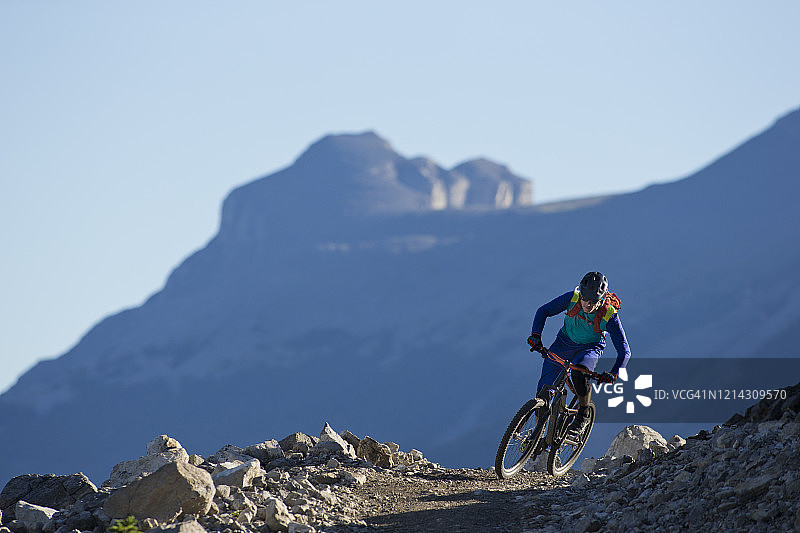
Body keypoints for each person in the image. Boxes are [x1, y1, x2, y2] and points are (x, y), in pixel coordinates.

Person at [527, 272, 631, 436]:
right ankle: (537, 434)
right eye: (585, 299)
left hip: (589, 348)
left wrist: (614, 373)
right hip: (563, 343)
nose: (588, 304)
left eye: (593, 301)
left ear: (602, 299)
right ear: (580, 294)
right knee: (544, 390)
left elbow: (624, 350)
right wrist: (536, 335)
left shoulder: (609, 315)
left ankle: (583, 414)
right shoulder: (572, 298)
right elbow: (543, 311)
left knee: (579, 373)